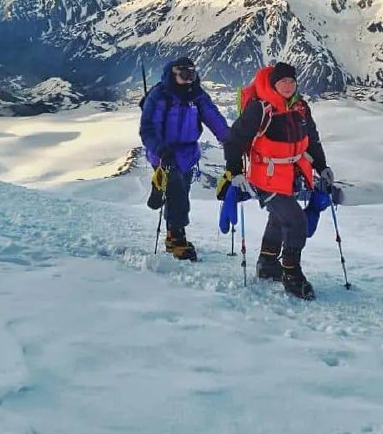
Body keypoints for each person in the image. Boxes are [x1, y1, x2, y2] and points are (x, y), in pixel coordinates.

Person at [220, 62, 334, 299]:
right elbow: (234, 139)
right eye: (283, 81)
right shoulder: (261, 109)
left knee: (278, 219)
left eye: (292, 81)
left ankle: (268, 263)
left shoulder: (300, 107)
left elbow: (311, 140)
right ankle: (292, 274)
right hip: (265, 177)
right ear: (273, 83)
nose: (288, 86)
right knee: (295, 221)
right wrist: (235, 171)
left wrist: (321, 166)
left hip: (290, 175)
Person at [140, 57, 229, 260]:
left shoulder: (197, 96)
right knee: (177, 192)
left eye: (192, 75)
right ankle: (178, 239)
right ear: (173, 75)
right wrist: (161, 150)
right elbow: (147, 129)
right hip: (164, 154)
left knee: (180, 193)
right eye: (183, 75)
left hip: (187, 154)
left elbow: (214, 118)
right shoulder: (159, 96)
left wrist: (230, 140)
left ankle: (171, 230)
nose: (188, 80)